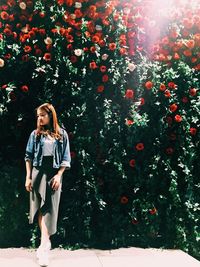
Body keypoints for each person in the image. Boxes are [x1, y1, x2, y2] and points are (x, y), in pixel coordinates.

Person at [24, 103, 71, 266]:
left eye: (42, 115)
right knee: (40, 208)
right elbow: (28, 157)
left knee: (50, 208)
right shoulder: (35, 134)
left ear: (50, 115)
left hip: (53, 173)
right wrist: (28, 177)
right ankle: (44, 245)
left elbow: (66, 158)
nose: (40, 118)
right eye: (38, 115)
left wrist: (59, 175)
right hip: (38, 172)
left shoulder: (62, 134)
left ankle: (44, 246)